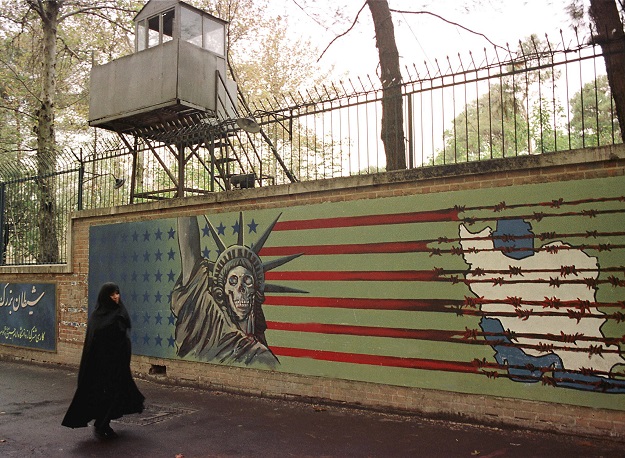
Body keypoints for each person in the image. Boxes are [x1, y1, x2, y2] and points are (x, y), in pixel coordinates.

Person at [62, 282, 145, 439]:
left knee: (116, 394)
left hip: (117, 365)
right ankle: (101, 425)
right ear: (105, 297)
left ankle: (103, 424)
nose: (116, 297)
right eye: (112, 294)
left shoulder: (119, 312)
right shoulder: (98, 316)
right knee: (106, 396)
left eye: (117, 293)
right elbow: (96, 342)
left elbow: (122, 334)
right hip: (101, 366)